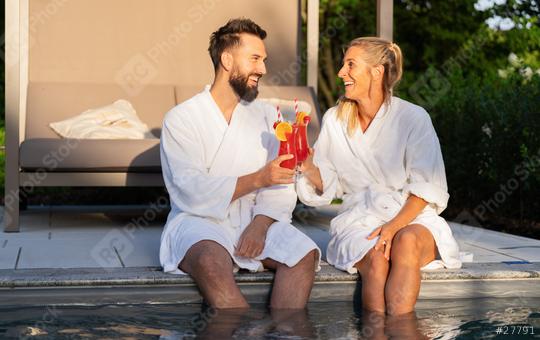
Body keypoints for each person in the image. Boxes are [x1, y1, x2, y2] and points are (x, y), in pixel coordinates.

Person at [159, 18, 320, 309]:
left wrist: (260, 225)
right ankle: (241, 327)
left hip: (256, 218)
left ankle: (287, 330)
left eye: (264, 60)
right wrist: (258, 179)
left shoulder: (268, 116)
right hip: (200, 222)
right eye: (255, 59)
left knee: (303, 254)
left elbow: (282, 182)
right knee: (210, 261)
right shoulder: (181, 119)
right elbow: (190, 190)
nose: (263, 69)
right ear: (227, 59)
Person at [297, 37, 461, 315]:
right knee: (376, 258)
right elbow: (329, 185)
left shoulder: (413, 117)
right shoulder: (335, 119)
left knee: (405, 242)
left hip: (411, 216)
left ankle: (401, 331)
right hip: (359, 219)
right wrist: (310, 167)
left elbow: (426, 186)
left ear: (377, 71)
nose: (340, 73)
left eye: (350, 65)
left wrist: (393, 226)